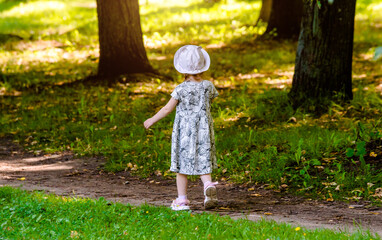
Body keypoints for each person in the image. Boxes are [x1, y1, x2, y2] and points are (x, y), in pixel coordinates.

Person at [143, 45, 219, 211]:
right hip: (203, 131)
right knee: (203, 160)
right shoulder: (208, 86)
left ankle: (182, 200)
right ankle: (207, 186)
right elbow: (210, 102)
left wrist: (151, 120)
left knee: (181, 167)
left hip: (184, 132)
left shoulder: (180, 89)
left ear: (182, 69)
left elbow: (167, 109)